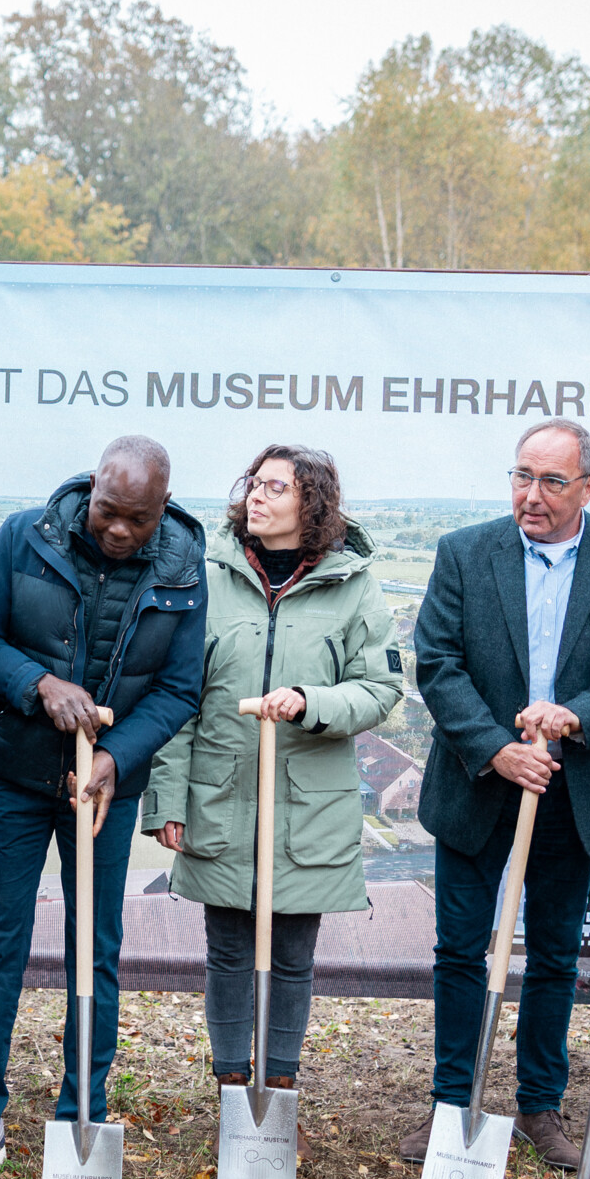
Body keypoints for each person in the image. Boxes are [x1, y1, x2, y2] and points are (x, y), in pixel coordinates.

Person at [0, 437, 208, 1179]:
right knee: (0, 946)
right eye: (108, 511)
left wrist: (117, 757)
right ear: (91, 491)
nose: (118, 530)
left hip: (106, 791)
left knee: (95, 948)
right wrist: (39, 684)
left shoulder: (183, 566)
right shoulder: (26, 536)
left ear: (163, 510)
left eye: (138, 519)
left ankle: (84, 1114)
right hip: (16, 775)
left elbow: (178, 689)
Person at [404, 418, 590, 1171]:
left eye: (552, 481)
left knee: (556, 956)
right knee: (461, 950)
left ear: (588, 487)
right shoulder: (465, 552)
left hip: (571, 784)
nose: (532, 494)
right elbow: (438, 661)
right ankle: (451, 1104)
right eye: (522, 476)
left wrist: (577, 716)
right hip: (476, 782)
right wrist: (497, 750)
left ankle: (539, 1105)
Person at [145, 445, 402, 1132]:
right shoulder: (211, 579)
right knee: (228, 952)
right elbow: (178, 698)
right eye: (254, 484)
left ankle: (278, 1097)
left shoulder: (354, 586)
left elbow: (380, 689)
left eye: (275, 487)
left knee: (291, 958)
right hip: (221, 797)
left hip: (306, 807)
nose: (256, 496)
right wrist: (168, 797)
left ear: (312, 503)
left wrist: (312, 701)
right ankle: (234, 1097)